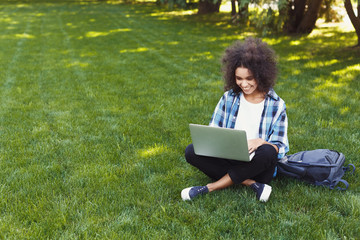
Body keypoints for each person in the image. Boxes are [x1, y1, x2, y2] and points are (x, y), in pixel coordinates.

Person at [181, 37, 289, 202]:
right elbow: (213, 131)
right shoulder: (229, 98)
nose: (244, 84)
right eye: (239, 79)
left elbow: (280, 148)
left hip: (259, 165)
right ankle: (251, 184)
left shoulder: (276, 105)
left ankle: (211, 187)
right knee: (191, 151)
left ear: (261, 75)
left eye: (249, 78)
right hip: (230, 157)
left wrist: (260, 142)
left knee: (268, 152)